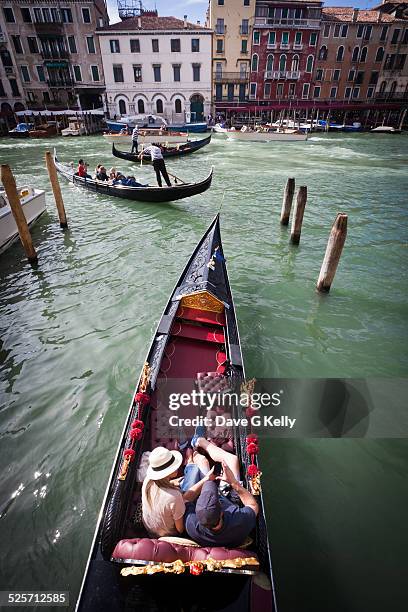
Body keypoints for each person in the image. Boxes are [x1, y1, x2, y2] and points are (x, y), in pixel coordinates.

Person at [184, 435, 258, 548]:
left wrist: (206, 479)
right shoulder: (239, 520)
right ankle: (200, 441)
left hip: (215, 493)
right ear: (222, 511)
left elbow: (185, 498)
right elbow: (252, 505)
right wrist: (233, 482)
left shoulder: (192, 525)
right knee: (232, 459)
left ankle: (196, 449)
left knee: (203, 461)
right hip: (229, 498)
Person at [142, 446, 214, 538]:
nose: (177, 466)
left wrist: (173, 483)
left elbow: (163, 488)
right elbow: (180, 529)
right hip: (171, 535)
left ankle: (191, 465)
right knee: (196, 472)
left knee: (192, 474)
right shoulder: (174, 496)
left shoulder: (147, 481)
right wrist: (206, 480)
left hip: (151, 531)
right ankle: (192, 466)